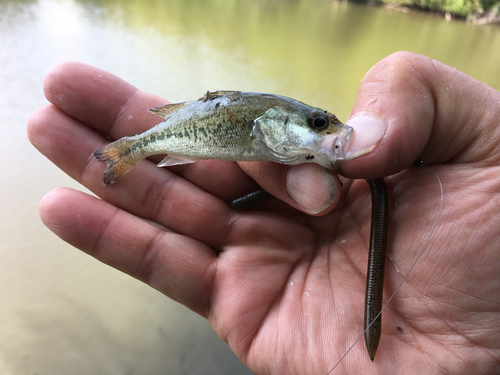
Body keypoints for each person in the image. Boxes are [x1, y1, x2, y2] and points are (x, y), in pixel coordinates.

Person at [27, 52, 500, 374]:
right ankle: (128, 151)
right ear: (269, 127)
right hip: (174, 141)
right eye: (318, 123)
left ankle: (129, 151)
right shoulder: (259, 129)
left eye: (323, 124)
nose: (331, 130)